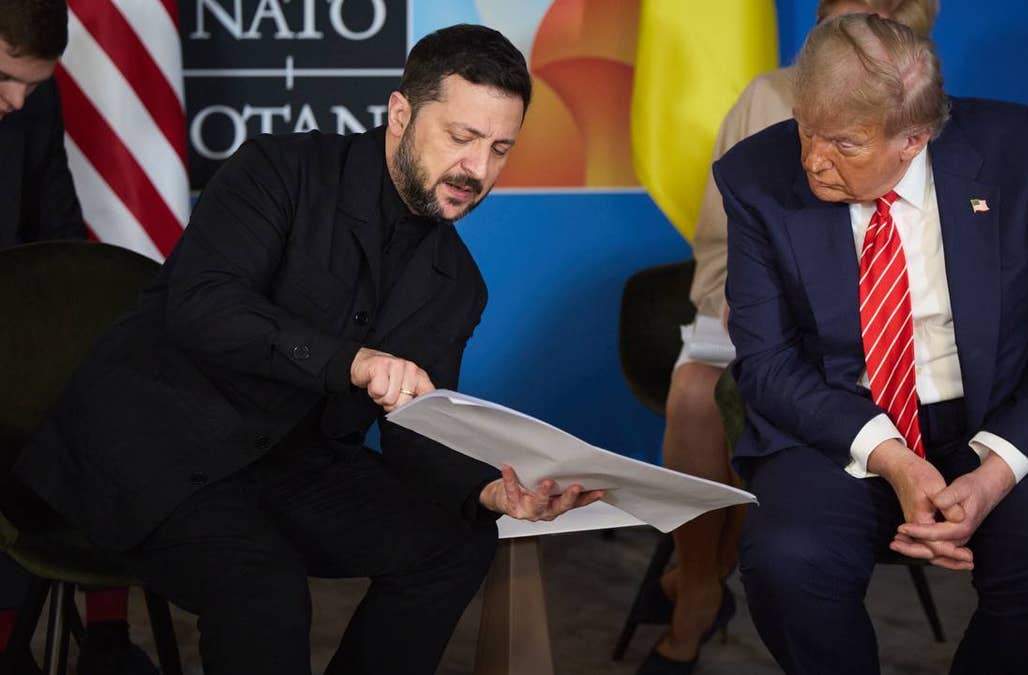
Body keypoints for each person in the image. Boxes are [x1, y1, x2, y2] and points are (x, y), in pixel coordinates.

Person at [14, 23, 603, 675]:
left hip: (286, 461)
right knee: (263, 591)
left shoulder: (457, 283)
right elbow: (202, 304)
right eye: (461, 138)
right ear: (400, 113)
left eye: (500, 148)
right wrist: (351, 360)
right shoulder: (280, 169)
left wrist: (492, 491)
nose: (478, 171)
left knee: (459, 544)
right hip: (159, 436)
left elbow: (415, 432)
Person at [718, 13, 1028, 674]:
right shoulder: (755, 176)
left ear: (913, 139)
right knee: (785, 561)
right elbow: (767, 364)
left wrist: (994, 473)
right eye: (806, 128)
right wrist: (898, 462)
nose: (812, 160)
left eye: (844, 144)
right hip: (843, 418)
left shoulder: (1026, 154)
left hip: (1003, 412)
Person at [642, 2, 938, 673]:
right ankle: (697, 591)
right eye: (826, 21)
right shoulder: (767, 97)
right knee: (698, 392)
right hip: (745, 309)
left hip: (869, 335)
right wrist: (745, 312)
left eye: (856, 25)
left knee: (772, 407)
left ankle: (720, 569)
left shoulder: (929, 114)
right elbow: (717, 242)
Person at [0, 2, 158, 673]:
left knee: (112, 390)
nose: (17, 100)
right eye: (4, 77)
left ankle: (106, 636)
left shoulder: (34, 98)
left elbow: (57, 229)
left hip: (11, 335)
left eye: (33, 86)